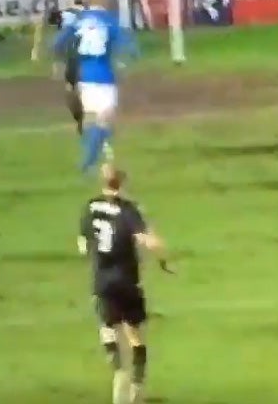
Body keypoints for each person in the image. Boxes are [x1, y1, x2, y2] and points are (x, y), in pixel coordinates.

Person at [78, 164, 171, 404]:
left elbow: (82, 245)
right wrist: (163, 256)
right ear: (122, 183)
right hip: (126, 281)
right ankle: (136, 390)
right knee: (135, 337)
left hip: (102, 280)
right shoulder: (128, 210)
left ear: (102, 182)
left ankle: (118, 369)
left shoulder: (90, 207)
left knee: (107, 327)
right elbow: (146, 241)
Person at [54, 0, 137, 172]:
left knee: (93, 122)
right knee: (105, 122)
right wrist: (129, 59)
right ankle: (88, 162)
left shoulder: (79, 20)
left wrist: (65, 57)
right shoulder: (109, 21)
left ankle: (89, 161)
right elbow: (128, 45)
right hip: (104, 75)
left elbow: (58, 43)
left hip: (85, 76)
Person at [33, 0, 89, 134]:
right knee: (78, 89)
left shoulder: (69, 13)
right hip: (82, 57)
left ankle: (81, 119)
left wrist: (39, 48)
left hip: (75, 57)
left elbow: (46, 20)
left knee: (72, 89)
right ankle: (84, 119)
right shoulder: (77, 12)